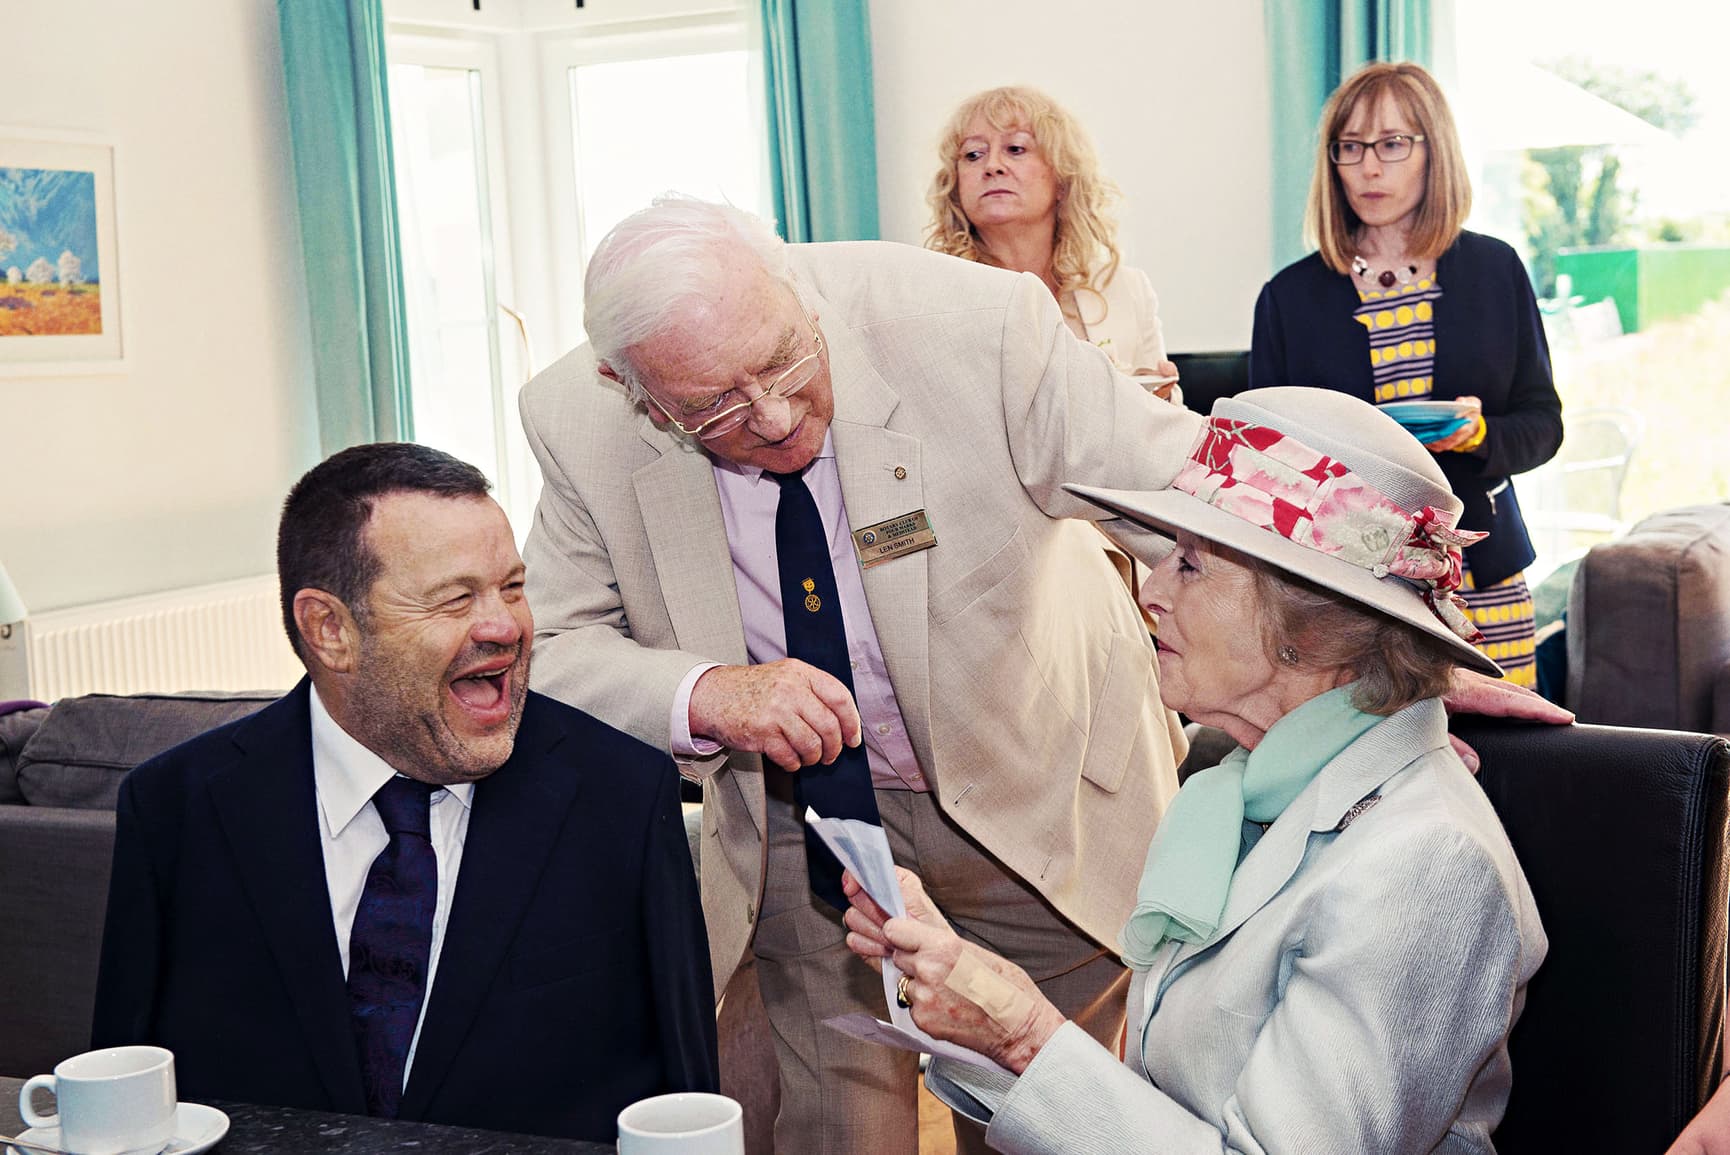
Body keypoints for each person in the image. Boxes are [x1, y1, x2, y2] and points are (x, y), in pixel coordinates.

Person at [518, 194, 1206, 1153]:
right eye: (712, 406)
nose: (772, 414)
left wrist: (1373, 657)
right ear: (629, 387)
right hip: (814, 829)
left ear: (795, 287)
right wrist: (712, 692)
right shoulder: (575, 420)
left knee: (1048, 1121)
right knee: (841, 1135)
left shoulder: (977, 323)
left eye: (783, 360)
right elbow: (549, 647)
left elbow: (1184, 490)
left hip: (1042, 792)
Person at [844, 387, 1548, 1153]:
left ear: (1305, 627)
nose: (1148, 591)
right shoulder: (1234, 792)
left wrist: (1023, 1033)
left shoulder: (1424, 863)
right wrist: (978, 1008)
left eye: (1188, 564)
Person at [91, 443, 718, 1142]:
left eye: (512, 587)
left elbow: (686, 1107)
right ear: (330, 629)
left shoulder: (622, 796)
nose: (505, 626)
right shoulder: (178, 808)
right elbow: (126, 1110)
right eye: (455, 597)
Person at [1250, 61, 1563, 688]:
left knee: (1508, 765)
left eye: (1393, 144)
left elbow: (1543, 425)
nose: (1370, 167)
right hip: (1347, 589)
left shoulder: (1495, 270)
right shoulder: (1289, 297)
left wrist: (1476, 436)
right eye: (1351, 147)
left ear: (1434, 151)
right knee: (1374, 765)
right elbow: (1265, 461)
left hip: (1482, 574)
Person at [927, 84, 1180, 402]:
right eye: (973, 155)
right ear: (955, 186)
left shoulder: (1126, 289)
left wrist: (1162, 402)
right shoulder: (930, 298)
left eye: (1016, 149)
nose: (992, 166)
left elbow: (1168, 425)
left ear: (1061, 179)